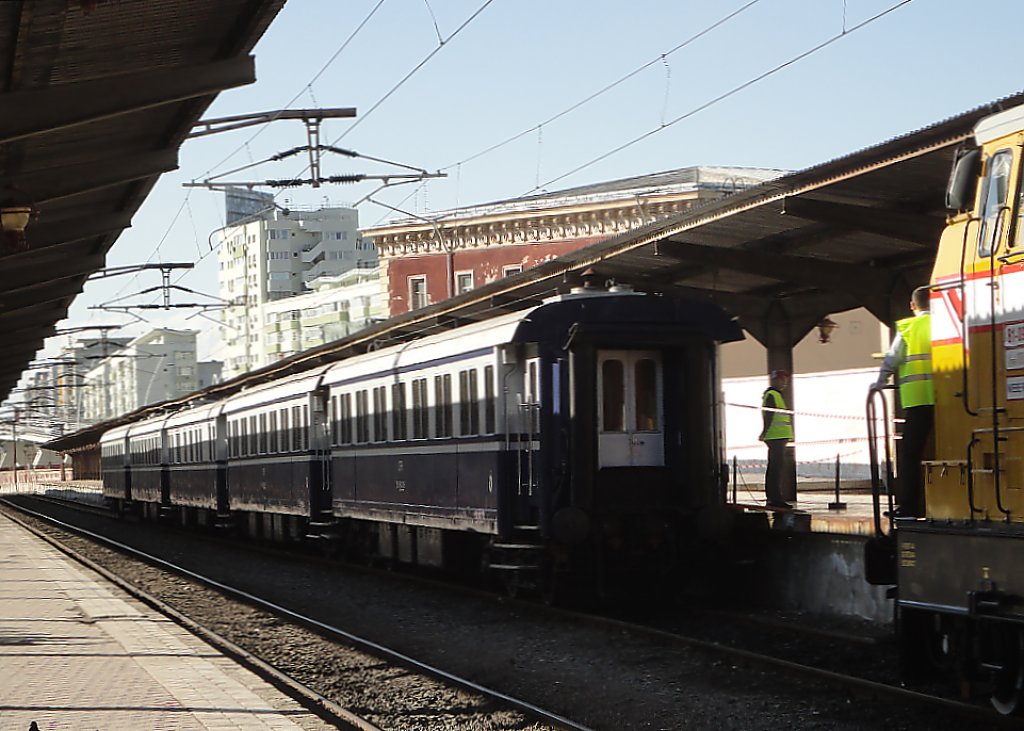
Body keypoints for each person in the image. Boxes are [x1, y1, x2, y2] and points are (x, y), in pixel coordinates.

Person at [875, 286, 933, 518]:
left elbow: (892, 359)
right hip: (953, 400)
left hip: (919, 402)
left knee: (909, 455)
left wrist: (879, 382)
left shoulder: (909, 328)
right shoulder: (950, 324)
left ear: (912, 305)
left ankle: (909, 507)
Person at [760, 369, 794, 509]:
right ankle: (775, 498)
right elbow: (769, 416)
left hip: (778, 437)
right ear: (775, 380)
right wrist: (764, 432)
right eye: (782, 379)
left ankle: (774, 497)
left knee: (775, 468)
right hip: (776, 437)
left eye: (785, 379)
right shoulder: (772, 395)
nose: (784, 382)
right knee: (776, 469)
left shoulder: (777, 395)